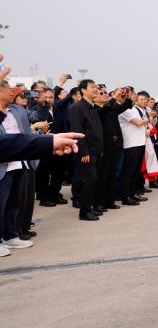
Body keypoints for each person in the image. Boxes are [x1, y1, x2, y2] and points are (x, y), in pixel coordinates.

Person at [0, 80, 34, 252]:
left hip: (19, 162)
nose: (12, 92)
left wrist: (41, 101)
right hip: (3, 165)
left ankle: (11, 236)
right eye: (8, 89)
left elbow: (35, 116)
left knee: (14, 203)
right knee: (1, 204)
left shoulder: (17, 110)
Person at [69, 79, 104, 221]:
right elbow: (78, 131)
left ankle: (91, 207)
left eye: (96, 86)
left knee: (94, 180)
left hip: (96, 149)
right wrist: (83, 152)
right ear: (83, 90)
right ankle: (84, 212)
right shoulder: (77, 108)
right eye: (92, 87)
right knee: (89, 180)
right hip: (87, 151)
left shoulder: (92, 106)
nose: (95, 89)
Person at [95, 86, 130, 211]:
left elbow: (122, 107)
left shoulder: (109, 109)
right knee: (102, 175)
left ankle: (109, 201)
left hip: (113, 145)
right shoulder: (95, 109)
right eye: (101, 93)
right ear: (94, 97)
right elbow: (104, 111)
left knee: (111, 174)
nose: (105, 94)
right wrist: (114, 97)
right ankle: (99, 202)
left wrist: (127, 96)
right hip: (103, 147)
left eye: (105, 93)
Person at [118, 91, 150, 205]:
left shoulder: (134, 110)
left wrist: (145, 121)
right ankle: (126, 196)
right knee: (128, 172)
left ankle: (132, 193)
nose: (133, 96)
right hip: (131, 144)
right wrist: (146, 120)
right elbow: (139, 123)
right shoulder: (124, 110)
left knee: (135, 171)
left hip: (139, 143)